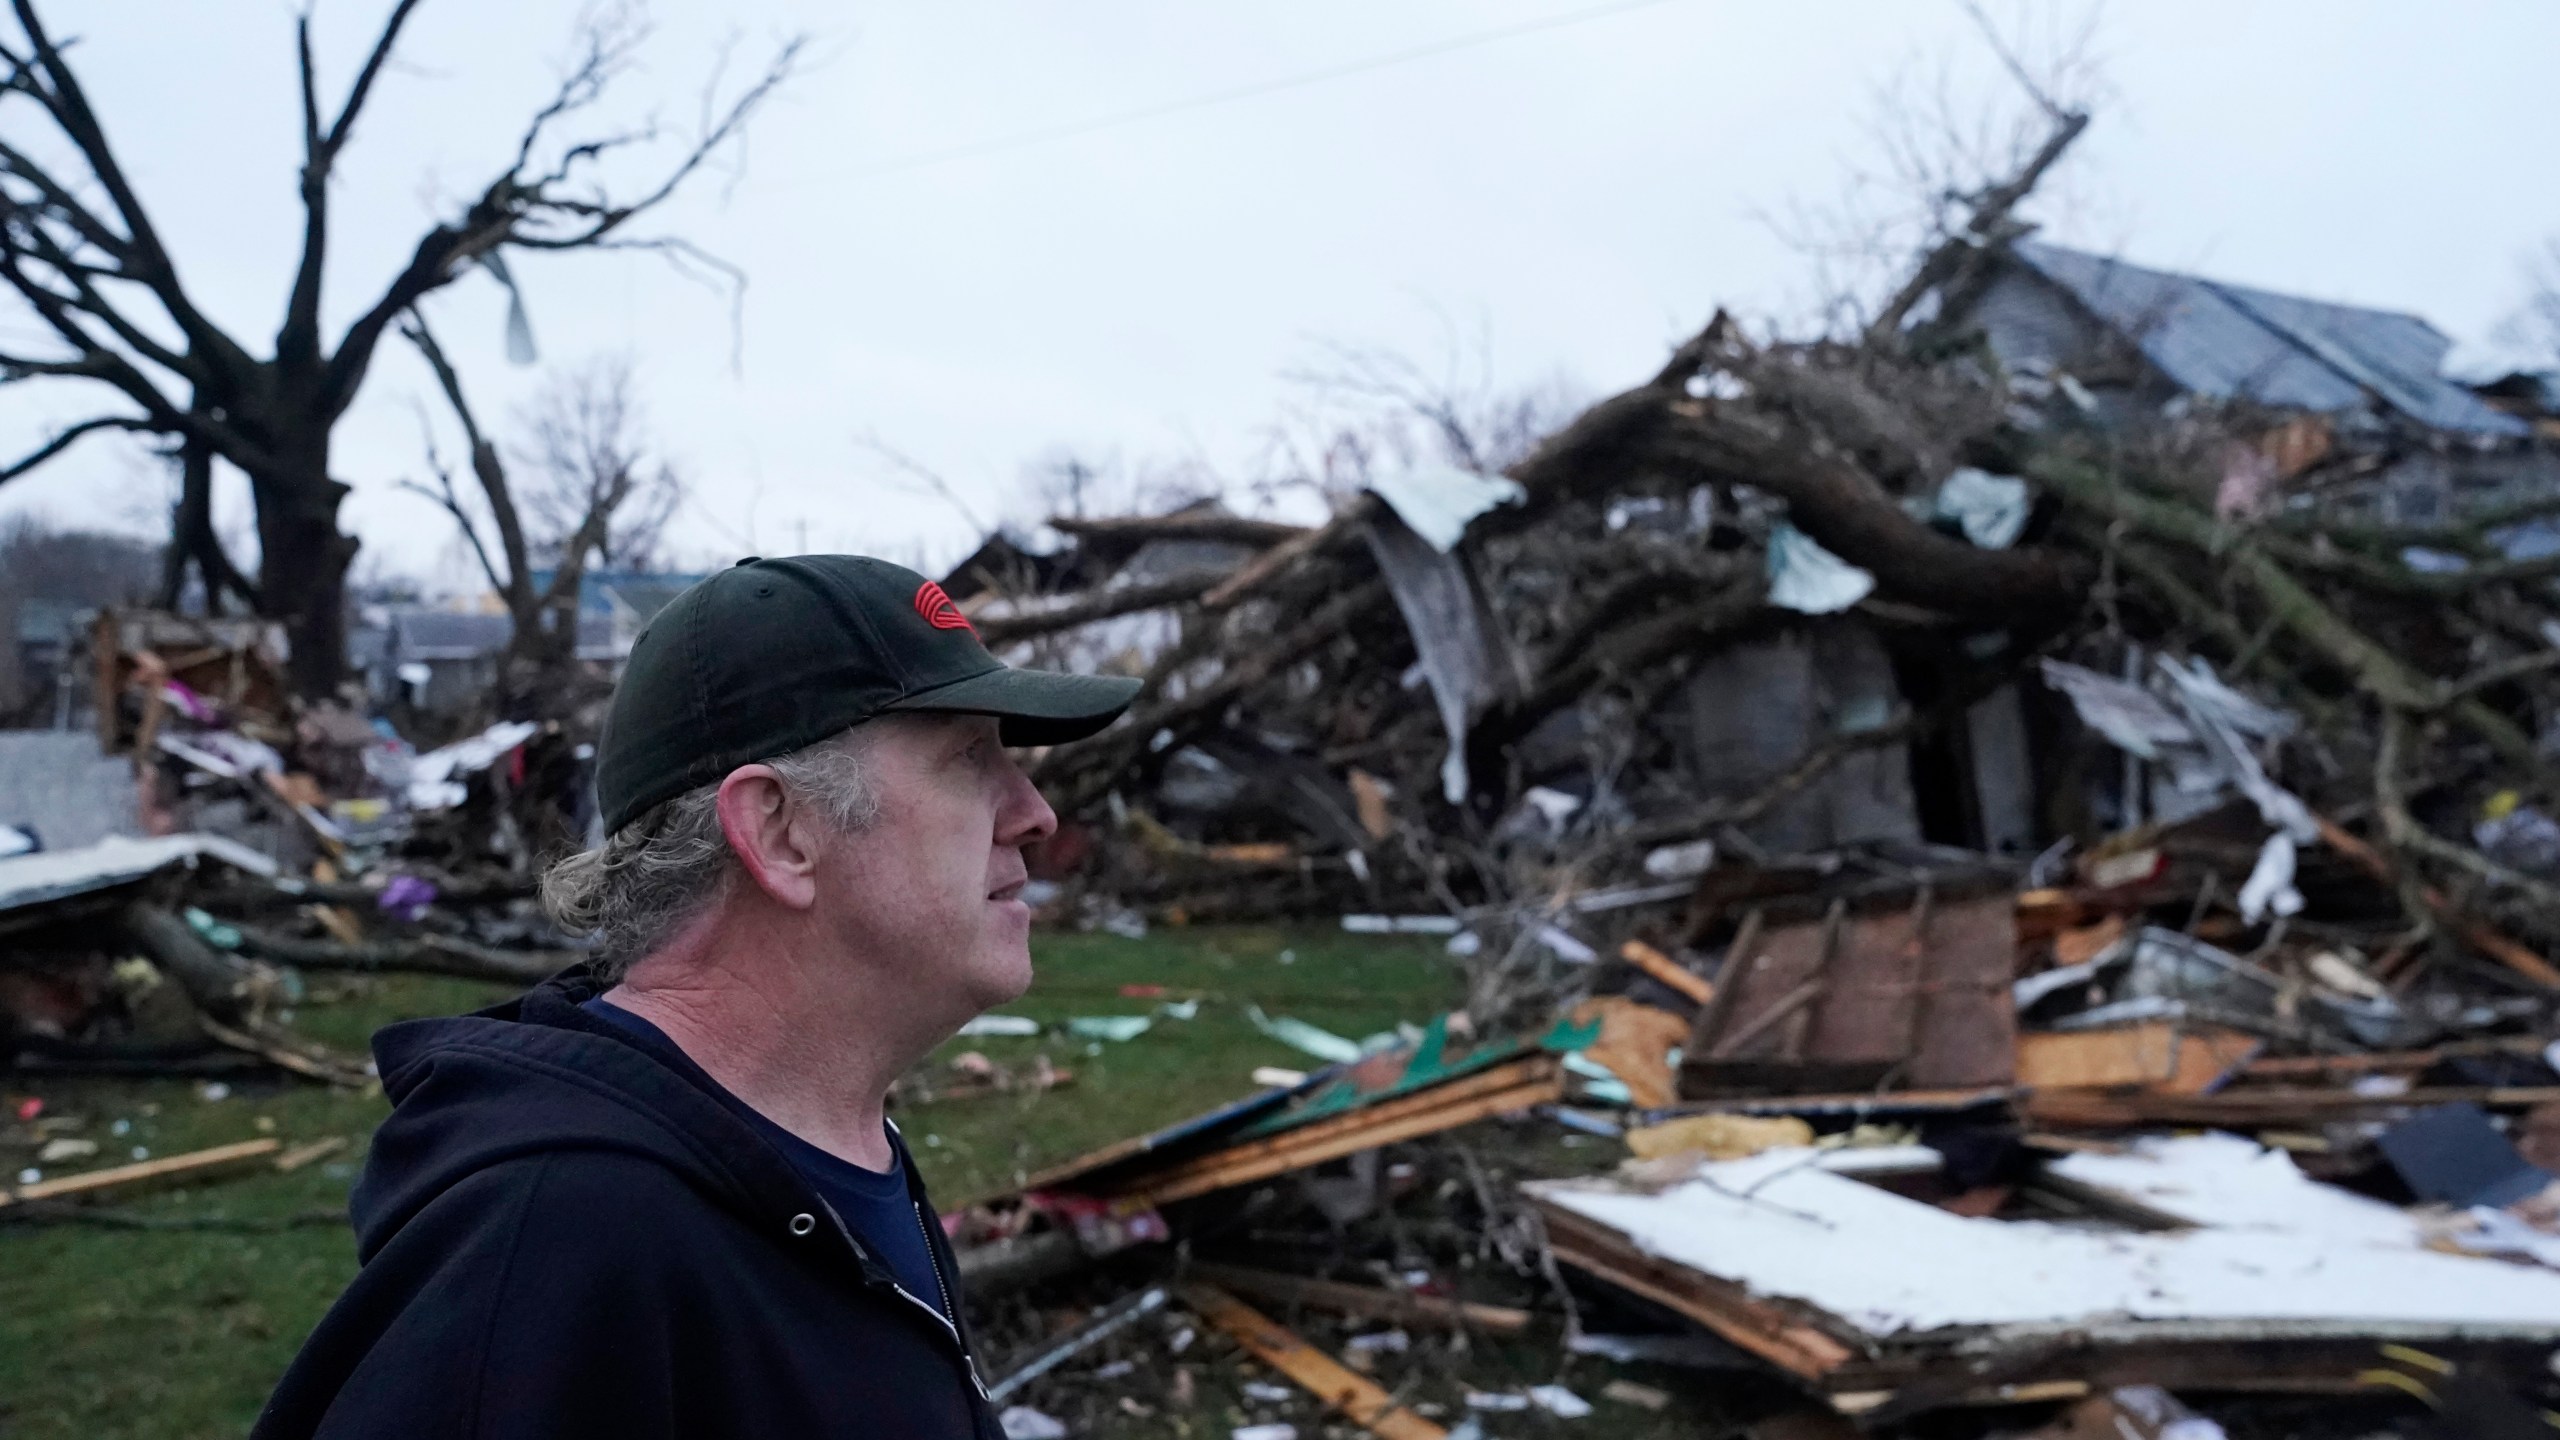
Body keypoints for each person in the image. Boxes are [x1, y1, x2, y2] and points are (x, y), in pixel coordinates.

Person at [255, 555, 1140, 1440]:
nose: (1035, 813)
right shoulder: (560, 1244)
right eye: (968, 758)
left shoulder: (827, 1154)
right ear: (780, 831)